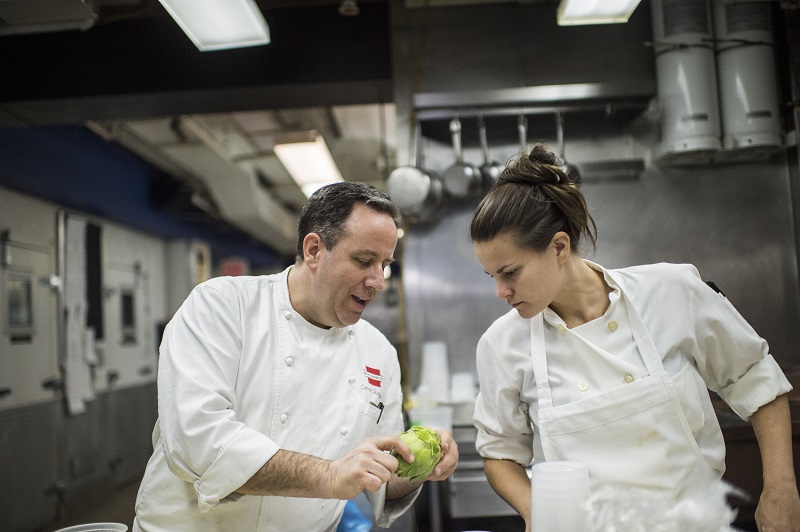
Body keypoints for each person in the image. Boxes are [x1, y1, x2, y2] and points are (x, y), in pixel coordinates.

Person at [469, 145, 800, 531]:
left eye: (510, 272)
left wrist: (781, 488)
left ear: (559, 246)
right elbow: (499, 453)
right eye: (492, 276)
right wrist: (535, 513)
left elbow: (755, 379)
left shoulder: (671, 290)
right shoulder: (502, 344)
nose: (501, 292)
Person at [133, 182, 458, 531]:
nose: (378, 280)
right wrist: (330, 475)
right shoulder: (222, 306)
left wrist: (422, 465)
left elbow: (385, 476)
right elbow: (198, 442)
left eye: (385, 264)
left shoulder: (378, 351)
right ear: (315, 250)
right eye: (364, 260)